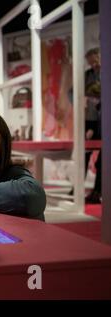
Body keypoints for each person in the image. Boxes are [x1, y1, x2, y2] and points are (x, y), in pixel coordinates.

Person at [84, 47, 101, 203]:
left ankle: (98, 190)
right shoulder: (87, 75)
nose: (93, 64)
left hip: (102, 119)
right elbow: (74, 92)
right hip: (90, 117)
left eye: (94, 60)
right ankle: (79, 186)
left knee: (102, 157)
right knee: (85, 153)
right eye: (90, 62)